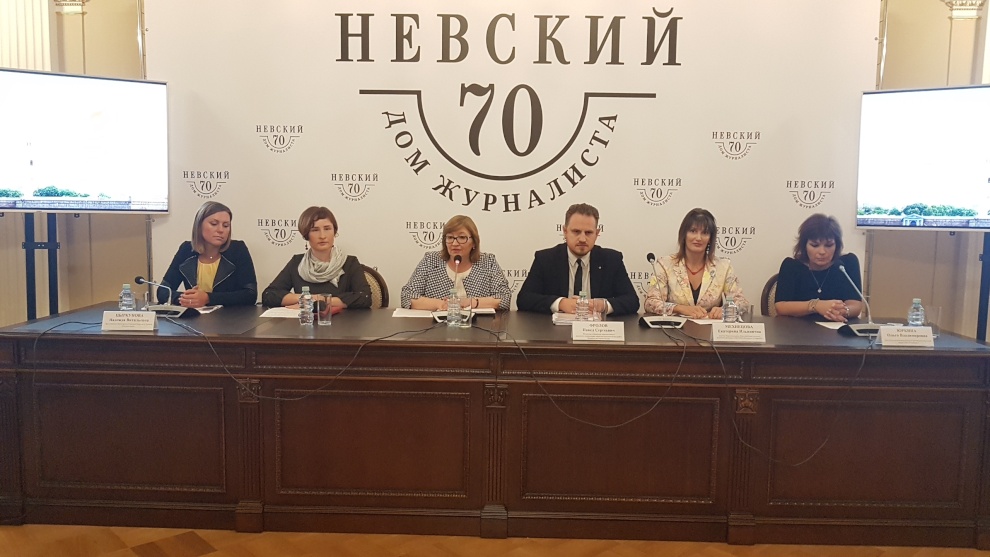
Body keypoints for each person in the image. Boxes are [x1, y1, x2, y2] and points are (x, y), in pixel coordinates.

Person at [516, 203, 639, 316]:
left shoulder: (612, 260)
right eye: (576, 231)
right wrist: (561, 303)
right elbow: (524, 299)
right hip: (555, 330)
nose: (582, 239)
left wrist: (602, 305)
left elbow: (632, 301)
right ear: (565, 231)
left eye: (588, 233)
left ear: (597, 233)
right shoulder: (546, 259)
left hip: (596, 330)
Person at [261, 206, 371, 309]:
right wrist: (308, 299)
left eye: (327, 229)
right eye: (315, 230)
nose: (322, 236)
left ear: (334, 232)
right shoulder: (297, 262)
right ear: (306, 235)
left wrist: (320, 300)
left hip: (343, 322)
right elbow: (269, 295)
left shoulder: (350, 262)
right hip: (306, 322)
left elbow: (364, 298)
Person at [644, 208, 747, 318]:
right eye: (693, 231)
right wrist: (680, 308)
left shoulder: (724, 267)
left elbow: (742, 303)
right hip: (676, 327)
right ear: (684, 235)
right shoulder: (665, 264)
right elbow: (651, 303)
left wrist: (725, 310)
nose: (698, 238)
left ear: (710, 239)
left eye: (705, 233)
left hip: (710, 327)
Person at [400, 215, 512, 310]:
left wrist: (472, 302)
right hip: (437, 326)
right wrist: (442, 304)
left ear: (474, 242)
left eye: (462, 237)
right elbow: (407, 296)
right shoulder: (431, 260)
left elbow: (505, 297)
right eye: (450, 237)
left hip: (478, 326)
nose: (454, 243)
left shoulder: (488, 262)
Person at [159, 201, 258, 307]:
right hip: (194, 316)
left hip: (230, 316)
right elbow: (163, 291)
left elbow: (250, 294)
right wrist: (187, 298)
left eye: (226, 225)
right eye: (214, 224)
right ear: (199, 225)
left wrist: (208, 298)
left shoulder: (238, 250)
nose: (221, 230)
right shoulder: (186, 250)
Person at [774, 213, 863, 322]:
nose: (822, 252)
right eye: (815, 245)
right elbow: (780, 307)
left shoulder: (847, 264)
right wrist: (816, 305)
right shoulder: (791, 266)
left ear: (837, 245)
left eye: (829, 245)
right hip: (798, 329)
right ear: (804, 245)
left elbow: (856, 304)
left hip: (837, 328)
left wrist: (843, 311)